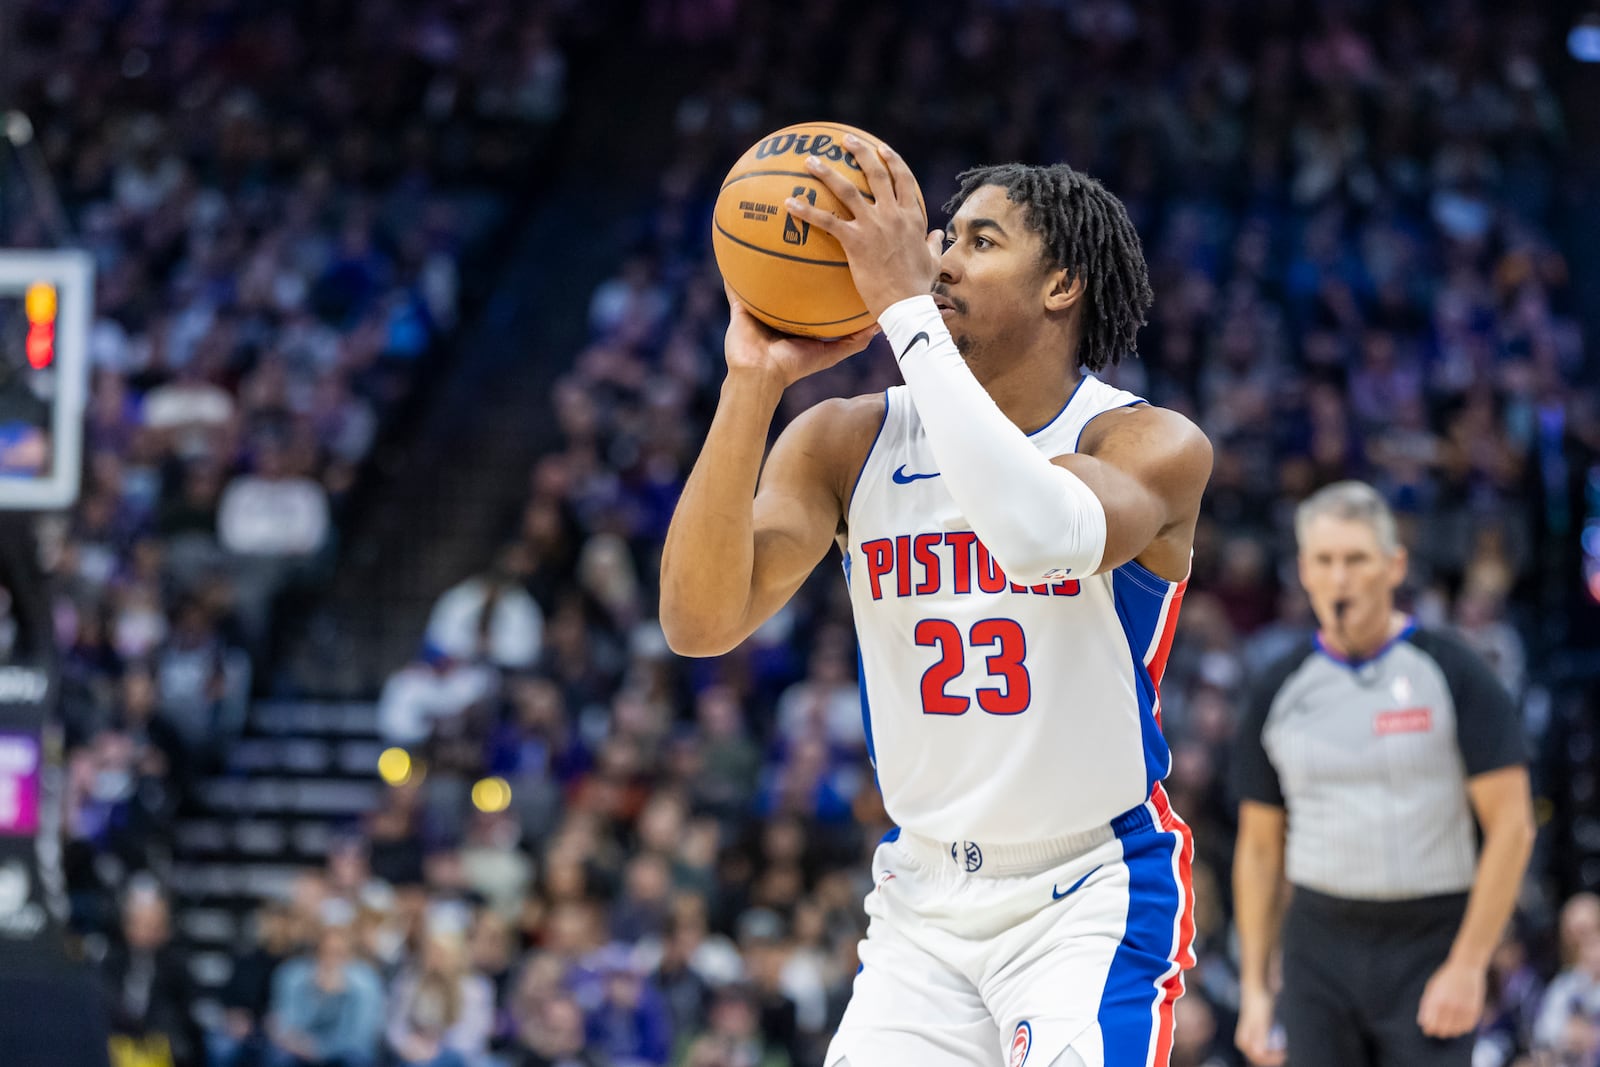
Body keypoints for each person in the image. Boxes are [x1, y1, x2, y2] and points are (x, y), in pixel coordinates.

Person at [661, 137, 1213, 1066]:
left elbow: (1043, 536)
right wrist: (750, 383)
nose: (943, 259)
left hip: (1088, 888)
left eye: (981, 242)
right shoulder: (844, 438)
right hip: (922, 898)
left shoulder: (1143, 443)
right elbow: (699, 621)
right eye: (945, 237)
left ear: (1062, 285)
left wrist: (905, 312)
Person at [1231, 481, 1535, 1067]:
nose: (1340, 578)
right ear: (1304, 571)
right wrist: (1254, 990)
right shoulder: (1276, 690)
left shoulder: (1454, 672)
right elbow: (1260, 850)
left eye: (1356, 559)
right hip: (1317, 943)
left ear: (1394, 565)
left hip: (1430, 940)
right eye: (1325, 561)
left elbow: (1514, 826)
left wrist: (1469, 965)